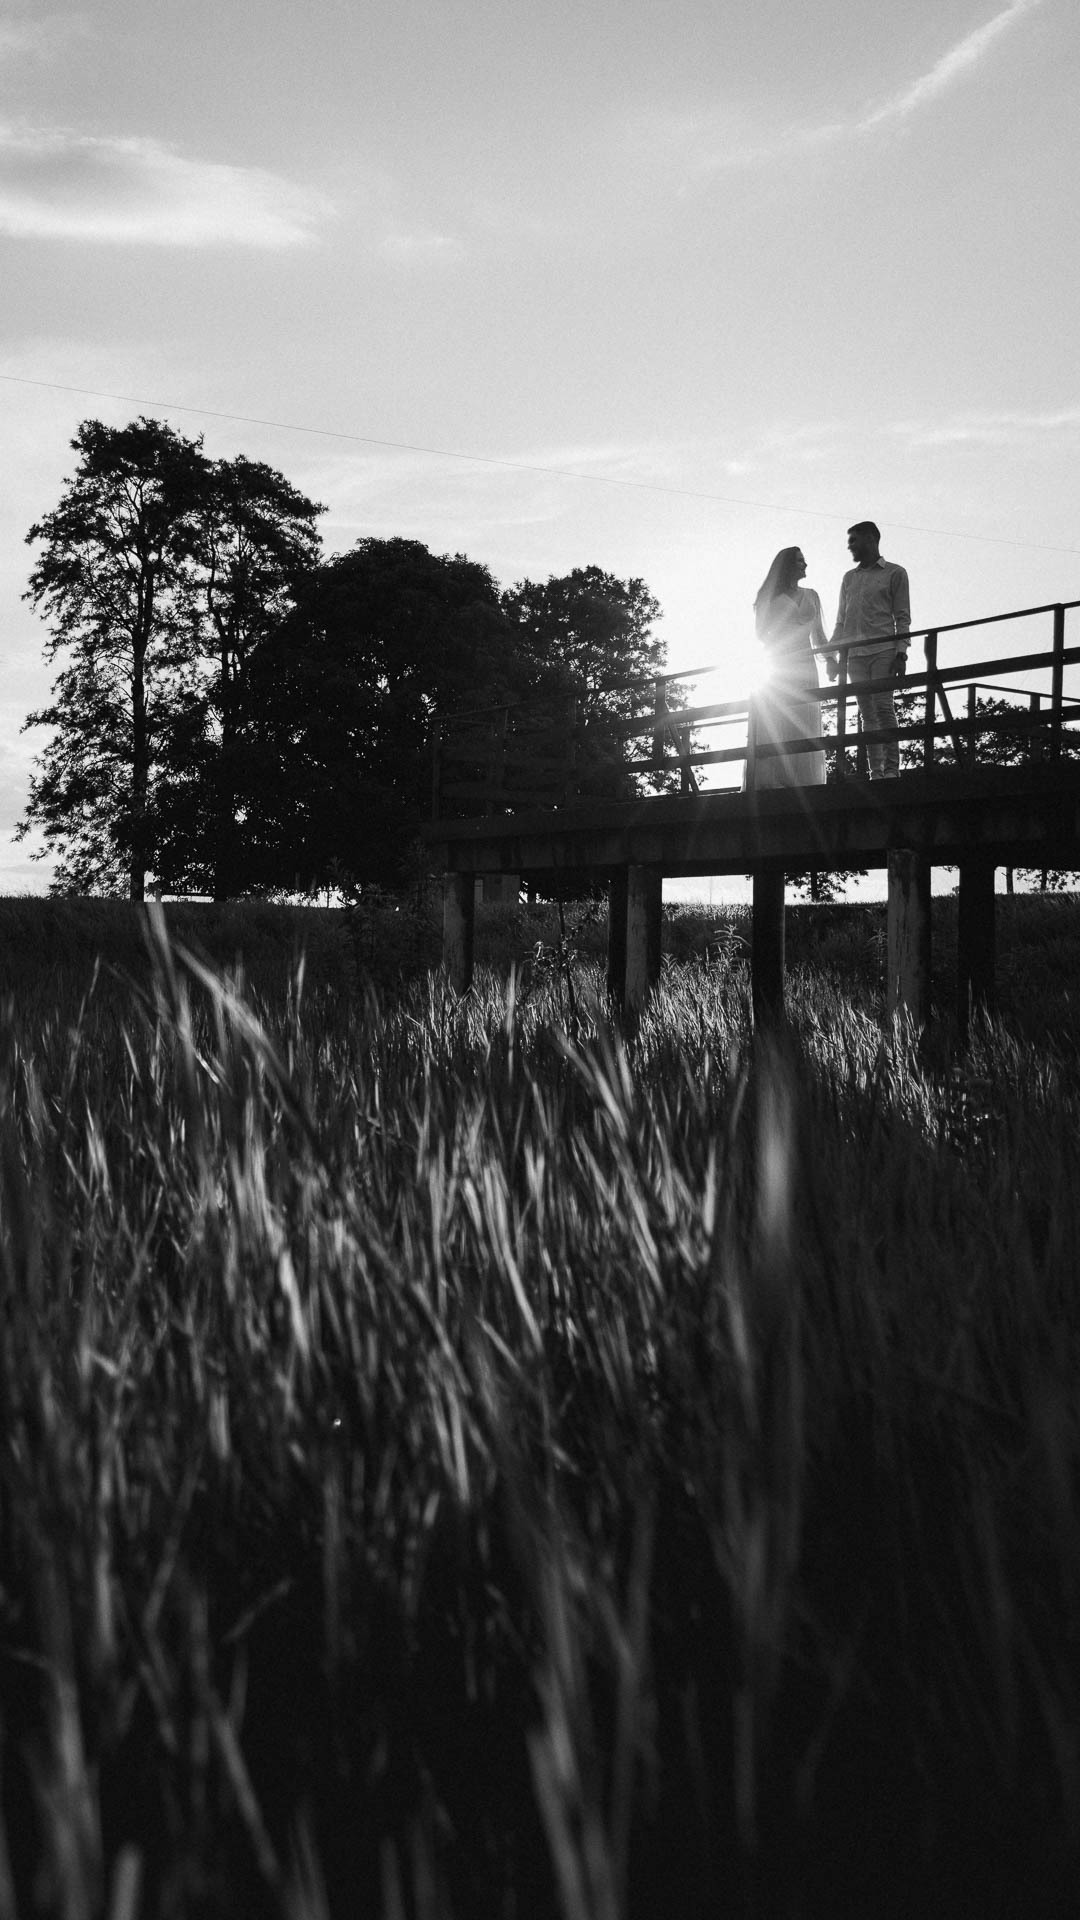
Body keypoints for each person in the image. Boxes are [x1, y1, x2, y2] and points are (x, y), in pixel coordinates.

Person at [826, 522, 911, 779]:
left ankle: (892, 771)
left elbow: (902, 616)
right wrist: (832, 656)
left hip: (884, 649)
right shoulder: (849, 578)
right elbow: (841, 621)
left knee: (884, 707)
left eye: (853, 540)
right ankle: (876, 773)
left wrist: (901, 652)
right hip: (854, 655)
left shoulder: (895, 573)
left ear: (870, 539)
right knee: (867, 713)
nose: (849, 546)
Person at [744, 546, 827, 789]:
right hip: (779, 664)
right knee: (777, 718)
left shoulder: (812, 595)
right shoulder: (768, 597)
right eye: (800, 561)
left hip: (807, 666)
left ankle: (804, 783)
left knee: (803, 718)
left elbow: (820, 636)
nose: (806, 565)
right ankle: (775, 782)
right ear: (787, 566)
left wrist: (834, 659)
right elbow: (760, 634)